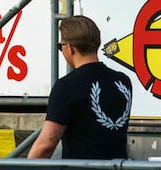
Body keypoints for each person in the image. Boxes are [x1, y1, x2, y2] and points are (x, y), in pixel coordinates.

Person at [29, 15, 132, 159]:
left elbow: (46, 145)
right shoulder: (123, 81)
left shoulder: (67, 86)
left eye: (61, 46)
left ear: (70, 48)